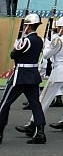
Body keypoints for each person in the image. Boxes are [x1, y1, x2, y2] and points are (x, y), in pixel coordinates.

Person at [0, 13, 47, 145]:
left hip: (21, 75)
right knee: (35, 104)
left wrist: (16, 46)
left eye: (26, 25)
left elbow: (13, 55)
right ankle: (40, 132)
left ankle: (0, 130)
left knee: (5, 103)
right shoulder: (39, 40)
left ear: (29, 25)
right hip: (32, 75)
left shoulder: (26, 40)